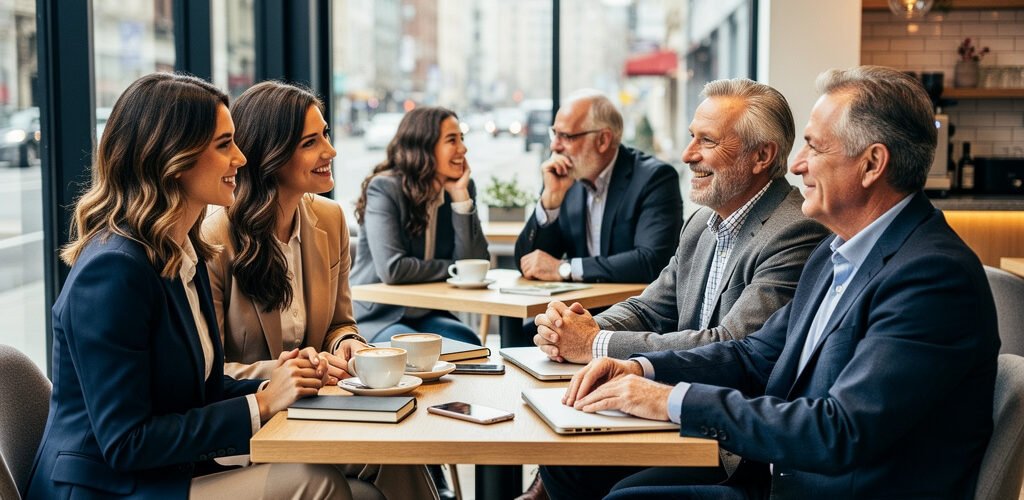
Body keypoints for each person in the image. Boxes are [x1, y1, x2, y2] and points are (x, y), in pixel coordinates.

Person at [543, 65, 1000, 499]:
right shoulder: (836, 252)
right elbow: (753, 353)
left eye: (814, 147)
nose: (797, 165)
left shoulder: (931, 276)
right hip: (786, 479)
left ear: (872, 164)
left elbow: (838, 430)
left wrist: (669, 400)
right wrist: (641, 370)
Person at [24, 73, 352, 499]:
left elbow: (202, 389)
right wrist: (264, 404)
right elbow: (126, 443)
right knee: (315, 483)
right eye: (224, 145)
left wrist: (283, 379)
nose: (240, 157)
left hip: (164, 472)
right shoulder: (112, 271)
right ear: (173, 159)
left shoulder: (182, 252)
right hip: (108, 488)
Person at [520, 78, 830, 500]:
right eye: (690, 138)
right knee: (565, 466)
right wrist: (579, 326)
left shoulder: (796, 229)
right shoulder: (702, 222)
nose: (688, 155)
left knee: (613, 487)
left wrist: (596, 344)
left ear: (762, 156)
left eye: (707, 141)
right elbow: (651, 306)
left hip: (730, 443)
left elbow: (733, 344)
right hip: (670, 407)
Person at [202, 81, 438, 500]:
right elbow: (207, 373)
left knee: (400, 449)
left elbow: (341, 323)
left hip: (320, 410)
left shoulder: (329, 219)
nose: (329, 151)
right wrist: (289, 373)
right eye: (311, 142)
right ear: (270, 155)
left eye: (325, 134)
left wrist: (347, 344)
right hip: (258, 425)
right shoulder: (215, 239)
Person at [511, 90, 683, 346]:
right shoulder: (567, 181)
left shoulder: (654, 178)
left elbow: (652, 260)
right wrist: (550, 201)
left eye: (566, 136)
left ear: (603, 140)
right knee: (525, 338)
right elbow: (528, 262)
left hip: (636, 320)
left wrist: (564, 269)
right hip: (581, 312)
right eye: (554, 134)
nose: (555, 146)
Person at [352, 106, 488, 344]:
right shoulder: (385, 188)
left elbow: (473, 264)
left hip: (427, 312)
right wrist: (453, 268)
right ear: (424, 146)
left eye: (462, 139)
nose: (463, 149)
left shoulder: (462, 188)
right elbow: (393, 270)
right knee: (419, 350)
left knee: (469, 342)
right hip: (379, 315)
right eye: (451, 140)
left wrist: (461, 200)